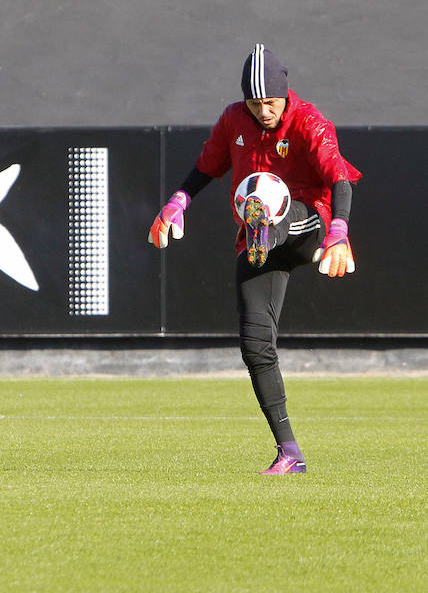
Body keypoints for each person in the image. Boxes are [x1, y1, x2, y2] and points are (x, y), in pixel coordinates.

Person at [147, 44, 361, 474]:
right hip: (255, 237)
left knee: (283, 213)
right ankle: (290, 452)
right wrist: (177, 201)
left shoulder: (309, 121)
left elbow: (339, 177)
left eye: (271, 102)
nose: (263, 111)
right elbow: (206, 167)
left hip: (308, 225)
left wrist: (339, 231)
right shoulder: (233, 120)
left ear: (285, 94)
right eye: (255, 102)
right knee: (255, 344)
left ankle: (270, 227)